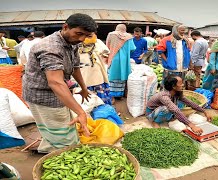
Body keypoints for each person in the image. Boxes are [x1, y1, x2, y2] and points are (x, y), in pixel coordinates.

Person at [23, 13, 97, 153]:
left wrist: (84, 88)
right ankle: (62, 153)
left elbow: (75, 68)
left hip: (58, 92)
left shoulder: (72, 43)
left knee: (57, 125)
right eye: (79, 33)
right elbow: (56, 83)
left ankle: (48, 148)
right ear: (65, 27)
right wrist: (81, 112)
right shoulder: (50, 48)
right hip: (43, 95)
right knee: (63, 132)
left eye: (86, 36)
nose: (81, 39)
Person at [146, 75, 212, 135]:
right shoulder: (164, 96)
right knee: (167, 108)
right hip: (151, 113)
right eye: (180, 83)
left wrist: (204, 111)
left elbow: (189, 102)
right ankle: (155, 122)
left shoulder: (177, 93)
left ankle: (170, 118)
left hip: (159, 110)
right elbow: (175, 110)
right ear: (174, 87)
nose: (183, 85)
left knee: (180, 103)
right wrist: (192, 125)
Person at [78, 33, 112, 104]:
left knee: (87, 99)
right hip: (96, 74)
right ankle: (102, 110)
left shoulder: (77, 43)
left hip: (84, 75)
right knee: (99, 95)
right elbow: (106, 53)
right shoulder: (97, 42)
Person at [106, 24, 136, 100]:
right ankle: (121, 94)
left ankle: (112, 96)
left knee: (112, 76)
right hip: (124, 60)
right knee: (122, 76)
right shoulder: (129, 37)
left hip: (113, 57)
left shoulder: (111, 34)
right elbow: (132, 48)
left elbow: (107, 46)